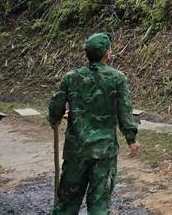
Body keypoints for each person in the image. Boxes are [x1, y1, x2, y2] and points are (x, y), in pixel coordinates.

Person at [48, 33, 139, 214]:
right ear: (107, 54)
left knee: (67, 202)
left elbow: (56, 105)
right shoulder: (117, 78)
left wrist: (54, 119)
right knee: (99, 202)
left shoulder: (71, 77)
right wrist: (131, 138)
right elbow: (125, 110)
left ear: (86, 55)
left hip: (76, 150)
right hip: (104, 151)